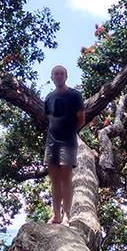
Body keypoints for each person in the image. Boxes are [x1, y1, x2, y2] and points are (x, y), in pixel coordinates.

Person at [44, 65, 85, 225]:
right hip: (51, 142)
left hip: (68, 142)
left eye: (62, 73)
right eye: (56, 74)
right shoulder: (49, 98)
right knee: (55, 180)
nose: (59, 76)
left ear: (66, 77)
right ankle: (56, 215)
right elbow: (50, 119)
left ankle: (66, 216)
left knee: (66, 179)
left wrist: (68, 132)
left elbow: (81, 120)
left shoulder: (75, 96)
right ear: (52, 77)